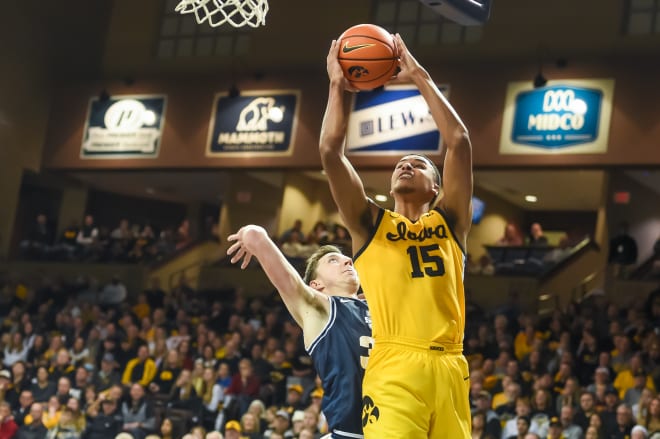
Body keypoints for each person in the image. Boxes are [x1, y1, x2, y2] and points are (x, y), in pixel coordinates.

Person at [319, 32, 472, 437]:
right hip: (395, 364)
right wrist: (338, 85)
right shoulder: (370, 224)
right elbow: (331, 151)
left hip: (451, 367)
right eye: (401, 163)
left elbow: (458, 141)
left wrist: (417, 74)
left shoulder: (451, 222)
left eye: (419, 164)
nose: (407, 165)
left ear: (436, 188)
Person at [227, 226, 372, 438]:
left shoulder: (376, 307)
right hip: (351, 432)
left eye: (347, 259)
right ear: (316, 284)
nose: (347, 261)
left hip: (396, 425)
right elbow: (288, 281)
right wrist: (255, 236)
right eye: (333, 260)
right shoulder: (321, 308)